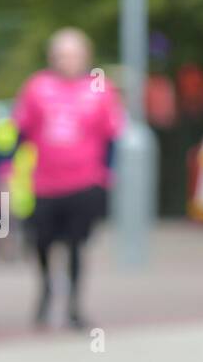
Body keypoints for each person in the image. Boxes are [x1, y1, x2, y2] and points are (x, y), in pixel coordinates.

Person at [13, 27, 124, 329]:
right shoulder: (37, 87)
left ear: (86, 56)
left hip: (85, 181)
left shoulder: (100, 87)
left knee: (77, 245)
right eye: (62, 54)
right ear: (52, 57)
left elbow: (112, 136)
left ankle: (74, 304)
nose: (68, 61)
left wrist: (106, 177)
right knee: (42, 242)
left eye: (74, 54)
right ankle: (47, 290)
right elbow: (20, 133)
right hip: (45, 183)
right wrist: (7, 171)